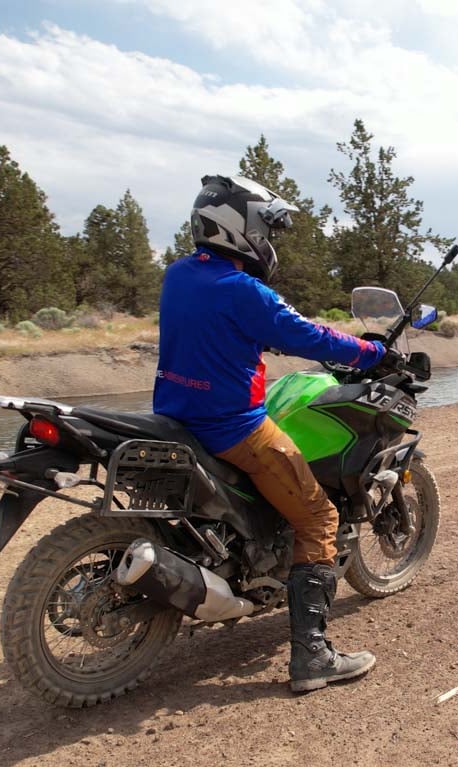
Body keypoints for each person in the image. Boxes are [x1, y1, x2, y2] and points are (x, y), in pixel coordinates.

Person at [154, 174, 386, 692]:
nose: (269, 239)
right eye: (266, 228)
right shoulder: (243, 290)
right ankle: (313, 657)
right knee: (319, 517)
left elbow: (219, 333)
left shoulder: (178, 275)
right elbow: (307, 334)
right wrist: (372, 352)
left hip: (175, 421)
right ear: (241, 228)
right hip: (232, 428)